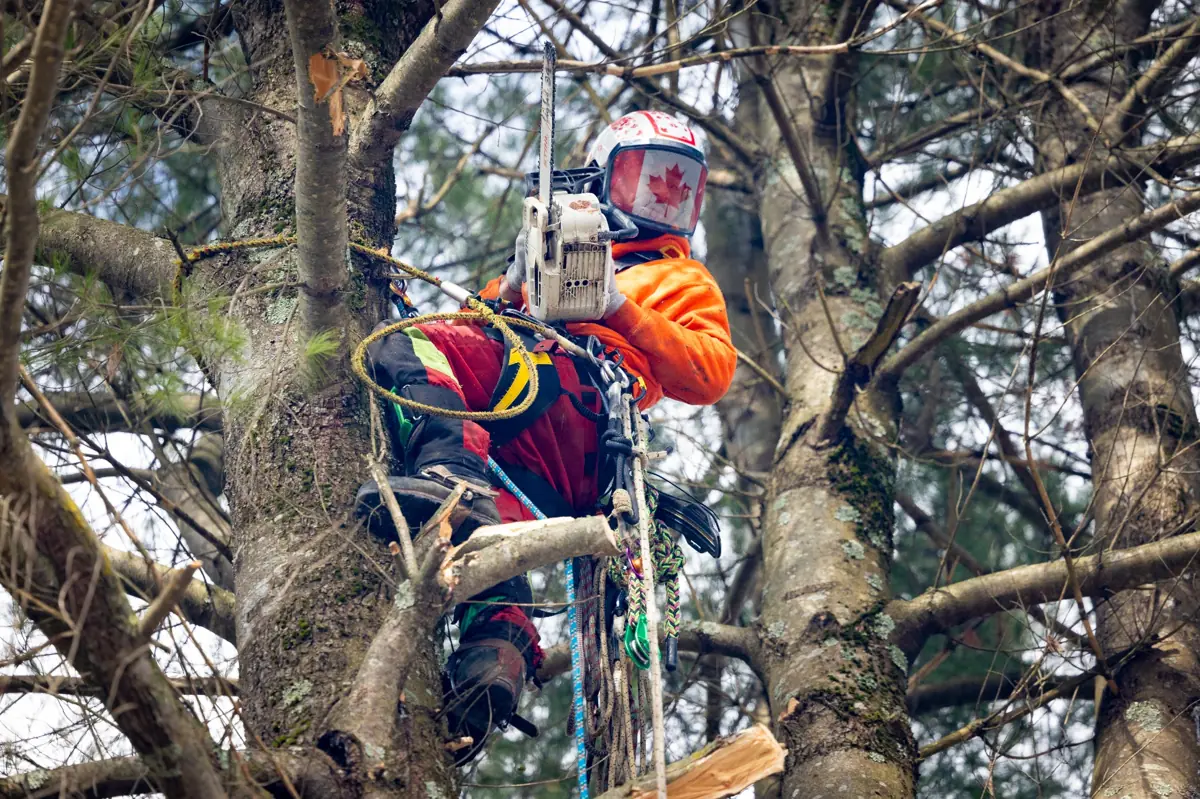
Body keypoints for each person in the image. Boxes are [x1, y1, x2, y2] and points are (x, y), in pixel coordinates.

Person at [355, 110, 736, 763]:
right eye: (647, 181)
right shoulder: (569, 240)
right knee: (484, 542)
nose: (663, 198)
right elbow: (484, 322)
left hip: (583, 406)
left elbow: (709, 369)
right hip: (530, 456)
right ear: (604, 176)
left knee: (408, 344)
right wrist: (511, 289)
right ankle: (493, 658)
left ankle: (449, 469)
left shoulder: (680, 277)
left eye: (678, 187)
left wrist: (617, 308)